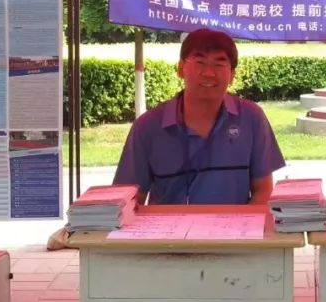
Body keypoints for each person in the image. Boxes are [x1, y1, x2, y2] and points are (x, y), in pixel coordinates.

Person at [113, 29, 285, 205]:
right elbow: (129, 200)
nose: (209, 73)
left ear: (232, 75)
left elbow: (263, 190)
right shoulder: (147, 127)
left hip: (236, 224)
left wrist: (244, 223)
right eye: (200, 62)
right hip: (168, 224)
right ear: (180, 69)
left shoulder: (252, 118)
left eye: (219, 64)